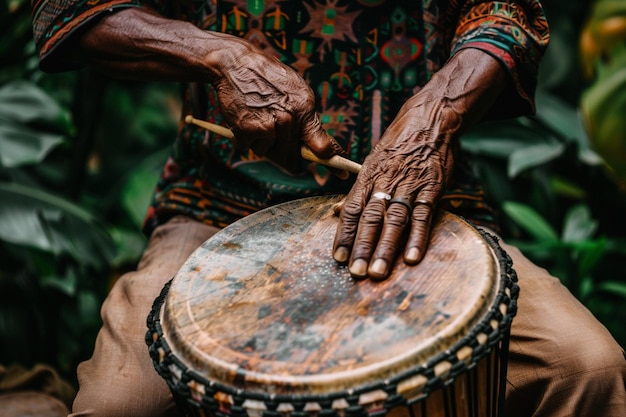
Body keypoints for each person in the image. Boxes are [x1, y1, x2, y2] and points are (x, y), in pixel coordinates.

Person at [29, 1, 626, 416]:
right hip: (218, 204)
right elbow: (70, 12)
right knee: (120, 405)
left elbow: (508, 12)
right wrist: (221, 56)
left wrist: (435, 115)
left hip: (421, 208)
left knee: (586, 368)